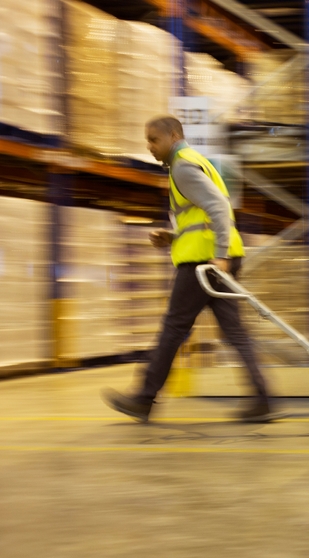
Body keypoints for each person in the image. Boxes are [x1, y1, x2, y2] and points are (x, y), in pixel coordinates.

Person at [102, 115, 274, 423]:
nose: (149, 146)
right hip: (217, 257)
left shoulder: (182, 165)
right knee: (234, 331)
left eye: (154, 140)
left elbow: (218, 207)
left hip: (203, 263)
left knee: (173, 329)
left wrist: (219, 256)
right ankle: (263, 398)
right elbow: (201, 217)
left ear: (172, 135)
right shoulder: (196, 162)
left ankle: (144, 398)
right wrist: (172, 236)